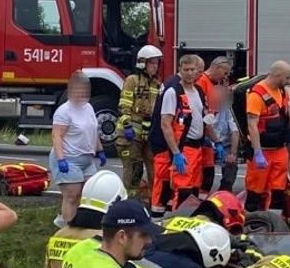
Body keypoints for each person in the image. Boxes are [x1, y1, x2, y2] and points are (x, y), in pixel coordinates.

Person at [149, 54, 213, 216]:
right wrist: (176, 153)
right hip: (184, 148)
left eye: (193, 70)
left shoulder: (198, 90)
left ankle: (187, 220)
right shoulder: (173, 92)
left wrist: (214, 141)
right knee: (182, 188)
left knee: (194, 188)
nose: (190, 73)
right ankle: (172, 221)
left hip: (197, 147)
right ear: (180, 70)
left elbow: (203, 117)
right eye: (186, 70)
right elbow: (166, 124)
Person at [50, 71, 108, 228]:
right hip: (69, 158)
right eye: (78, 91)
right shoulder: (64, 111)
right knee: (72, 195)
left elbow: (93, 130)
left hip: (87, 159)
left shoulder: (88, 108)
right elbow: (57, 136)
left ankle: (74, 222)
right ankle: (69, 227)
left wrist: (100, 150)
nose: (81, 95)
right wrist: (61, 159)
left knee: (90, 193)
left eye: (84, 92)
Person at [245, 60, 290, 213]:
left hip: (279, 150)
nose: (289, 81)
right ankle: (252, 222)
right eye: (287, 78)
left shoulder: (282, 90)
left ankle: (274, 224)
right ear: (277, 75)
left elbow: (287, 110)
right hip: (262, 151)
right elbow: (252, 125)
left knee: (278, 191)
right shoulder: (256, 95)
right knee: (255, 192)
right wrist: (257, 152)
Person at [117, 45, 164, 202]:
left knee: (154, 170)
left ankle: (152, 203)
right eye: (152, 63)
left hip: (148, 136)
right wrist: (128, 126)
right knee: (133, 170)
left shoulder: (157, 85)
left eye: (157, 63)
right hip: (130, 136)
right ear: (142, 63)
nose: (155, 66)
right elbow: (124, 106)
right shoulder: (132, 80)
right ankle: (128, 202)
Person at [195, 56, 234, 197]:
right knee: (199, 177)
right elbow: (200, 114)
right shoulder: (201, 83)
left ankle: (200, 203)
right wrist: (215, 140)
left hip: (205, 135)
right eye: (225, 73)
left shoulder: (209, 84)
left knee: (207, 175)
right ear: (218, 67)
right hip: (199, 135)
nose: (225, 77)